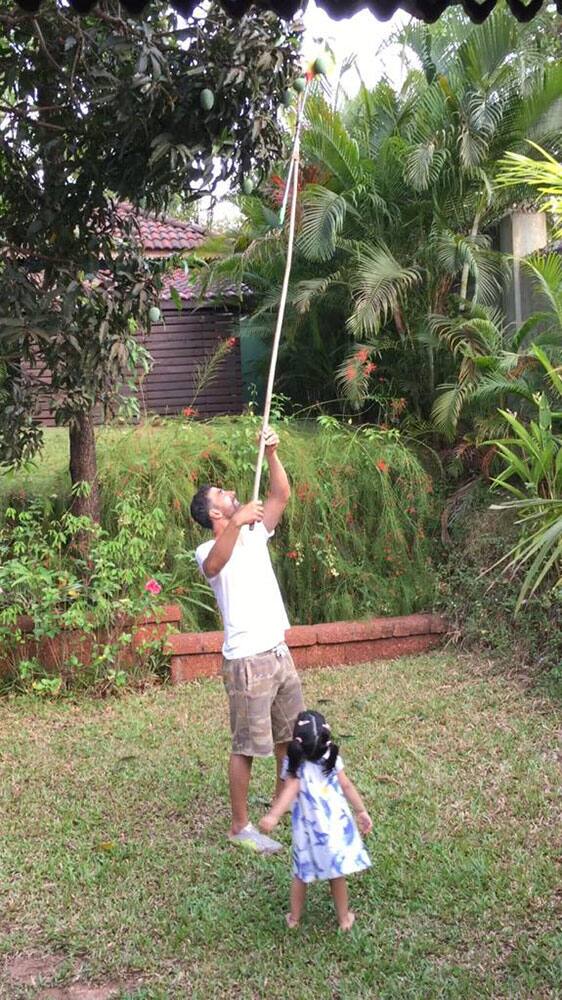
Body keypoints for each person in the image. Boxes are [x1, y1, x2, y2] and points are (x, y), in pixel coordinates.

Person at [190, 426, 305, 855]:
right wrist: (238, 521)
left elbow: (280, 496)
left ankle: (280, 805)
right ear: (213, 513)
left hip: (277, 651)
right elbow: (216, 565)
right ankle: (240, 827)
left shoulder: (255, 534)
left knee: (288, 738)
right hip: (247, 662)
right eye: (221, 493)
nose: (231, 492)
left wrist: (271, 453)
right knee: (246, 745)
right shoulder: (208, 549)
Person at [259, 709, 372, 931]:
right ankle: (344, 919)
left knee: (301, 875)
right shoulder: (331, 758)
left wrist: (273, 816)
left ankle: (294, 918)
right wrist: (361, 811)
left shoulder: (294, 763)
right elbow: (347, 786)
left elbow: (289, 790)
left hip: (308, 832)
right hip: (335, 829)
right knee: (336, 875)